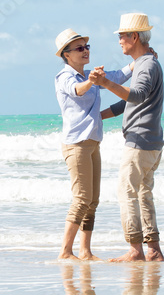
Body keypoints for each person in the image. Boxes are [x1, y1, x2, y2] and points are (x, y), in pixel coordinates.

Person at [89, 13, 164, 262]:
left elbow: (138, 95)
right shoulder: (146, 64)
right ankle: (152, 249)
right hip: (150, 140)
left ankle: (135, 249)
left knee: (126, 192)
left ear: (134, 36)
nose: (119, 40)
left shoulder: (147, 64)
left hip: (140, 140)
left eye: (122, 36)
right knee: (143, 193)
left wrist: (105, 83)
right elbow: (129, 103)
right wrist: (99, 115)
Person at [54, 29, 133, 261]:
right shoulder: (65, 77)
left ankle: (85, 251)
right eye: (79, 48)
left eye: (86, 47)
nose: (85, 51)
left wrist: (137, 63)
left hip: (92, 142)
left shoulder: (87, 75)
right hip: (76, 144)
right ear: (67, 55)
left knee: (93, 200)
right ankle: (65, 251)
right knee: (81, 198)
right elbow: (76, 91)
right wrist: (91, 81)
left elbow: (117, 77)